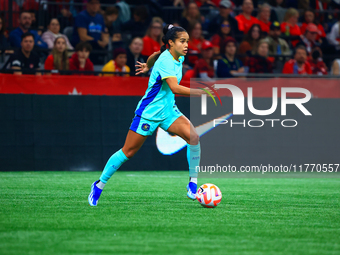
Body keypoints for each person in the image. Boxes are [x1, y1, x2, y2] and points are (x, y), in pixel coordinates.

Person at [88, 24, 208, 206]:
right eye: (182, 41)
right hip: (149, 113)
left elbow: (155, 55)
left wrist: (147, 65)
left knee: (194, 137)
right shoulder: (166, 61)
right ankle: (99, 184)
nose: (186, 45)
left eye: (187, 42)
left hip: (168, 111)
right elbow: (175, 88)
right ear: (171, 43)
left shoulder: (177, 56)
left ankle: (192, 184)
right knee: (128, 151)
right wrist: (200, 92)